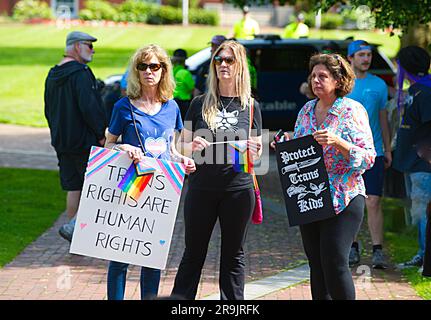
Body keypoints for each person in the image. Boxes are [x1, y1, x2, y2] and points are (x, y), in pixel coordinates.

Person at [171, 40, 263, 300]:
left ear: (239, 65)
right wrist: (191, 147)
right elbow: (181, 147)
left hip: (238, 190)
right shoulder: (199, 102)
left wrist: (252, 149)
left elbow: (256, 156)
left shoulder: (252, 106)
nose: (223, 64)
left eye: (229, 60)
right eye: (219, 60)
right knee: (193, 254)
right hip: (202, 189)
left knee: (234, 257)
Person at [104, 44, 196, 300]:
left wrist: (184, 161)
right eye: (142, 66)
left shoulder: (172, 108)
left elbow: (171, 150)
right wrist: (124, 146)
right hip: (132, 184)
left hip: (161, 189)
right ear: (136, 71)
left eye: (154, 66)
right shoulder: (124, 106)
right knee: (121, 255)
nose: (148, 71)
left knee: (152, 257)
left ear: (164, 70)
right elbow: (108, 143)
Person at [292, 53, 376, 299]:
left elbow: (368, 156)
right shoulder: (306, 110)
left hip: (344, 197)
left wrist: (338, 142)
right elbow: (300, 148)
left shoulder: (352, 110)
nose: (316, 81)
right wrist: (286, 144)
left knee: (334, 262)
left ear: (338, 81)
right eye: (313, 76)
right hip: (310, 196)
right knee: (316, 264)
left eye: (323, 76)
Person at [44, 31, 107, 243]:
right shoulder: (81, 72)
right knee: (95, 186)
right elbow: (90, 107)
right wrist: (101, 135)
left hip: (62, 140)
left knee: (74, 186)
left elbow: (48, 110)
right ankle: (78, 229)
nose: (93, 50)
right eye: (89, 46)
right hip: (83, 141)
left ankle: (73, 232)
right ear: (76, 46)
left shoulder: (53, 74)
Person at [346, 40, 391, 269]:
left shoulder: (379, 85)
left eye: (369, 55)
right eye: (361, 55)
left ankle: (377, 250)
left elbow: (383, 117)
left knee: (373, 201)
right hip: (347, 154)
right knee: (352, 201)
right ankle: (352, 248)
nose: (366, 59)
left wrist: (387, 148)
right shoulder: (344, 85)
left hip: (374, 152)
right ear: (351, 58)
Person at [392, 46, 431, 270]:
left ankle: (426, 257)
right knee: (420, 209)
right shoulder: (418, 90)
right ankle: (423, 253)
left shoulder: (425, 92)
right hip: (414, 163)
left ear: (406, 68)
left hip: (422, 165)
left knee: (424, 210)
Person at [172, 48, 195, 121]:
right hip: (184, 104)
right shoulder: (185, 73)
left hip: (173, 101)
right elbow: (191, 88)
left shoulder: (171, 71)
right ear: (185, 60)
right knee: (187, 123)